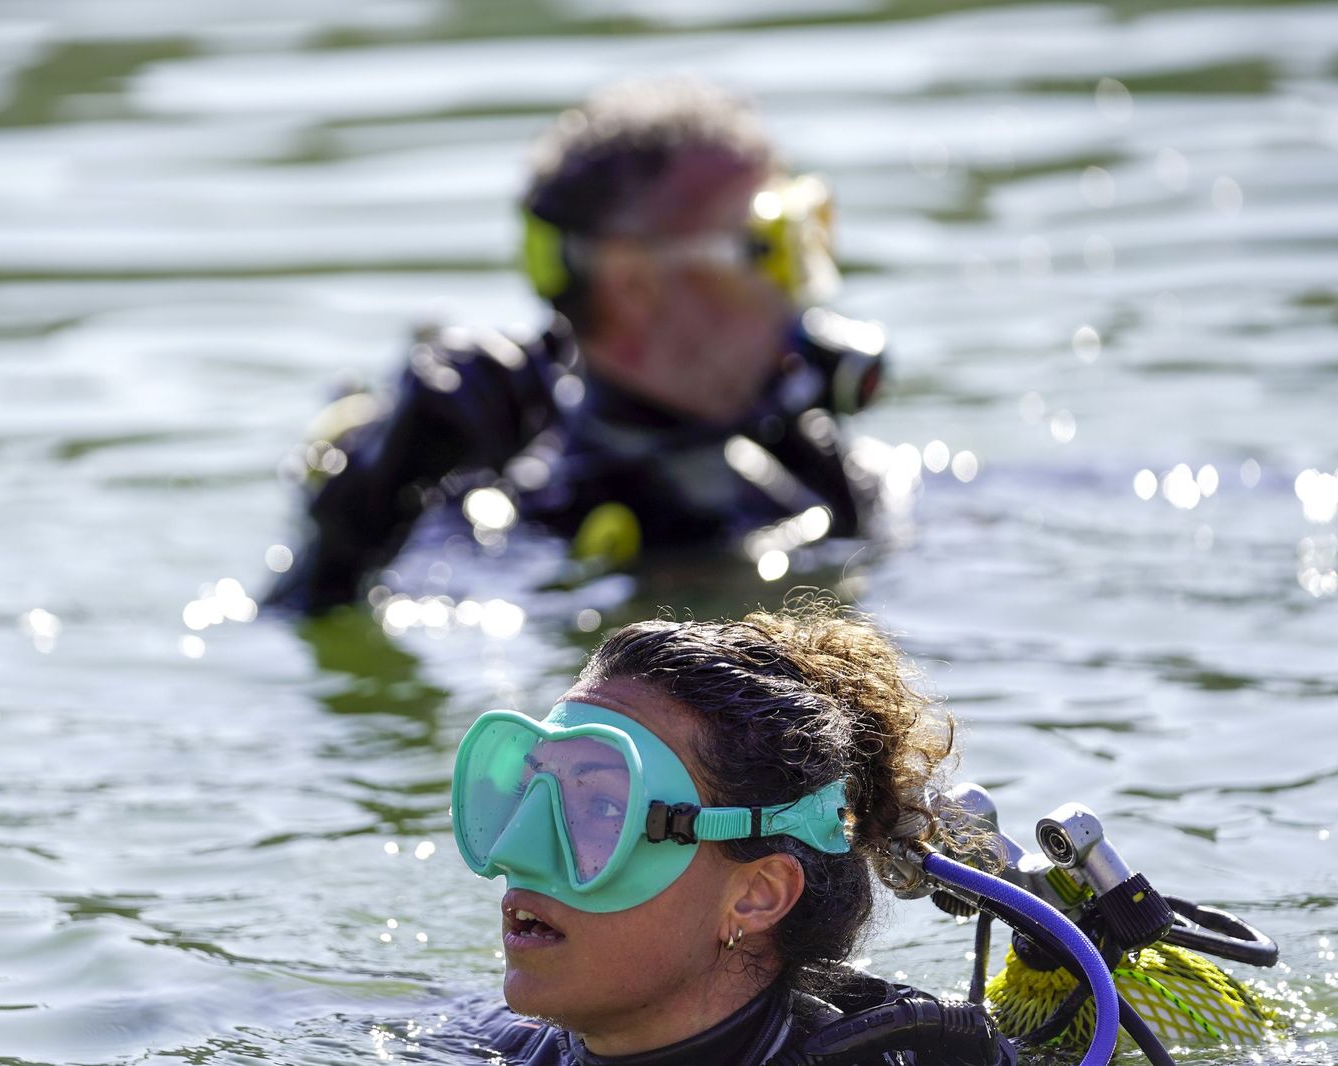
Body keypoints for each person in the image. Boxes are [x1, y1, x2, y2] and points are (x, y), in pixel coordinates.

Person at [265, 78, 887, 613]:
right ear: (635, 283)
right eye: (771, 246)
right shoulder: (490, 505)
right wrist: (365, 518)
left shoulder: (818, 468)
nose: (798, 289)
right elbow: (294, 622)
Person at [449, 601, 1016, 1065]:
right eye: (531, 794)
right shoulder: (487, 1043)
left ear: (757, 893)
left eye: (600, 806)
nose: (512, 851)